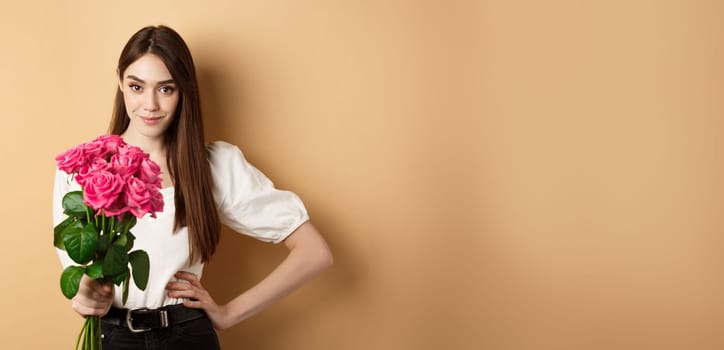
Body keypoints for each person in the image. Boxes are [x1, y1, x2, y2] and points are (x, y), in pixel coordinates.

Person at [53, 25, 333, 349]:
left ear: (184, 90)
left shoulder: (213, 166)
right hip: (111, 336)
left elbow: (315, 252)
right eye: (136, 86)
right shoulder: (85, 167)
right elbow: (77, 273)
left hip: (187, 336)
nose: (150, 104)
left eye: (166, 89)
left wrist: (228, 313)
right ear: (120, 82)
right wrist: (85, 297)